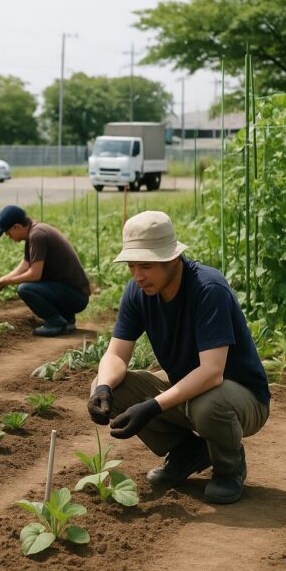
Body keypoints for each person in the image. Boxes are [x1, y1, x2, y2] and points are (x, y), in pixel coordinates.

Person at [86, 211, 269, 504]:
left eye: (146, 265)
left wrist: (152, 407)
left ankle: (228, 466)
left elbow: (212, 373)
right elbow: (117, 354)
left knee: (209, 403)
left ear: (172, 258)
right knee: (109, 385)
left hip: (241, 398)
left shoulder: (208, 288)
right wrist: (103, 387)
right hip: (188, 389)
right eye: (132, 266)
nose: (138, 275)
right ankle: (188, 452)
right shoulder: (138, 291)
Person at [0, 205, 90, 336]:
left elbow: (35, 274)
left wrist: (5, 283)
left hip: (76, 297)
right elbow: (24, 265)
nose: (9, 237)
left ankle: (55, 322)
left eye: (8, 233)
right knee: (33, 285)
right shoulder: (34, 232)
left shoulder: (37, 235)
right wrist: (1, 281)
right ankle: (66, 319)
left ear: (17, 227)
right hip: (74, 293)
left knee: (25, 289)